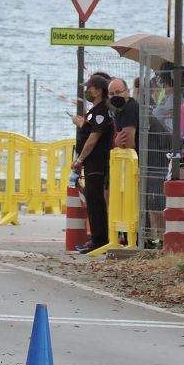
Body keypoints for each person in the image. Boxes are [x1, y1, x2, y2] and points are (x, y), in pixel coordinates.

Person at [72, 74, 114, 254]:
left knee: (95, 200)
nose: (88, 91)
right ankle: (94, 238)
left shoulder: (101, 111)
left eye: (90, 88)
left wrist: (80, 159)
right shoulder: (94, 110)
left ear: (97, 90)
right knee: (91, 200)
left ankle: (99, 240)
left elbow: (93, 137)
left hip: (96, 161)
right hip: (90, 162)